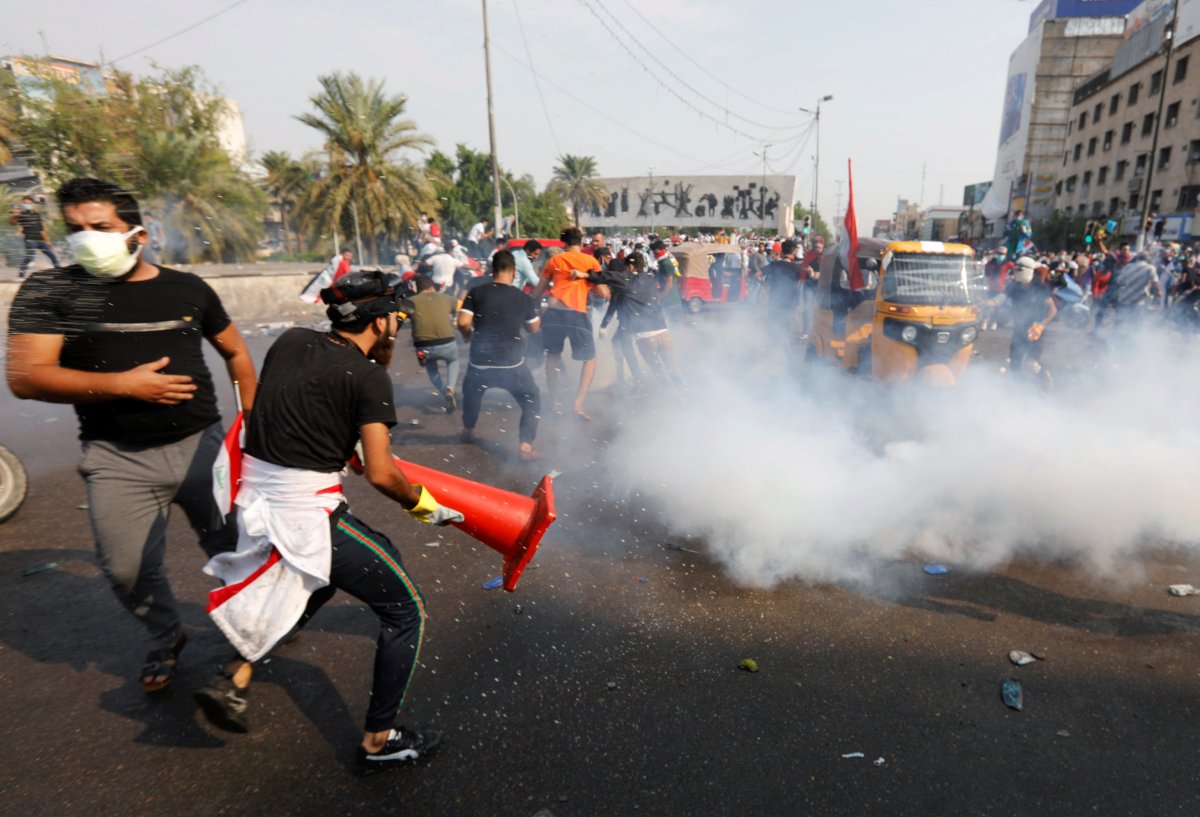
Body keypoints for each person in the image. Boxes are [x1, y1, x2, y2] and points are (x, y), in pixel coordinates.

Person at [195, 270, 459, 772]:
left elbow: (295, 405)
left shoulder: (291, 341)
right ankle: (380, 741)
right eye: (396, 320)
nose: (398, 329)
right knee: (408, 611)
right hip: (306, 514)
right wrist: (424, 505)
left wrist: (342, 442)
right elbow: (382, 473)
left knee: (318, 582)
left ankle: (236, 675)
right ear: (379, 322)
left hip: (257, 499)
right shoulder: (368, 377)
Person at [5, 177, 255, 692]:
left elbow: (235, 352)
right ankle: (167, 633)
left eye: (100, 227)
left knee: (233, 547)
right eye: (74, 229)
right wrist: (124, 385)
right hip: (116, 456)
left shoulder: (187, 288)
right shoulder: (49, 291)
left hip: (201, 446)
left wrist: (251, 420)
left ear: (139, 234)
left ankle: (252, 627)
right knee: (125, 568)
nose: (85, 239)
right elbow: (26, 377)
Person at [456, 250, 544, 461]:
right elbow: (533, 329)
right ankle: (525, 445)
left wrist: (467, 335)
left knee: (472, 393)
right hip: (511, 365)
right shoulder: (523, 298)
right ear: (513, 272)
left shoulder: (476, 292)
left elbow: (462, 322)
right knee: (532, 398)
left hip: (480, 363)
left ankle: (468, 431)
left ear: (492, 270)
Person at [531, 226, 607, 421]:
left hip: (554, 313)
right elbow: (603, 293)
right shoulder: (590, 261)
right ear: (581, 242)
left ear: (563, 242)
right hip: (576, 314)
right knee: (589, 359)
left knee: (553, 357)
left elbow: (537, 293)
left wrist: (537, 312)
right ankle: (578, 404)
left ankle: (554, 401)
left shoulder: (554, 260)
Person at [590, 249, 682, 390]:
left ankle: (638, 381)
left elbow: (613, 301)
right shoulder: (648, 278)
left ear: (630, 267)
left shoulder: (622, 277)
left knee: (652, 367)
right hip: (659, 328)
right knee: (672, 367)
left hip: (636, 327)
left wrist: (604, 325)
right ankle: (682, 392)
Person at [400, 274, 460, 413]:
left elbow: (399, 318)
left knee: (429, 366)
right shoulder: (447, 298)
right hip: (447, 344)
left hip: (421, 347)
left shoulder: (409, 302)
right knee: (453, 360)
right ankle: (450, 387)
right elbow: (463, 307)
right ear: (432, 286)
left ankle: (443, 390)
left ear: (417, 289)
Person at [996, 256, 1056, 386]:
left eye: (1019, 270)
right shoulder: (1014, 287)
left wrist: (1041, 324)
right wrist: (985, 303)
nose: (1016, 273)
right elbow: (999, 299)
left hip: (1035, 331)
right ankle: (1019, 389)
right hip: (1018, 331)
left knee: (1031, 363)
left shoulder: (1040, 287)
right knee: (1014, 363)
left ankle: (1044, 380)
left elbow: (1052, 310)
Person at [9, 195, 60, 278]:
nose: (26, 204)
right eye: (24, 203)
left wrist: (47, 240)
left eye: (28, 203)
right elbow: (12, 223)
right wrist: (14, 216)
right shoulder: (21, 214)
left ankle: (60, 271)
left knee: (52, 255)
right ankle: (20, 276)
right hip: (30, 240)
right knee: (29, 258)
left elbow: (42, 229)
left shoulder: (37, 214)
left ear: (33, 203)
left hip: (40, 240)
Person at [762, 239, 804, 338]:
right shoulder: (797, 268)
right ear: (793, 252)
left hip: (774, 303)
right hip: (789, 306)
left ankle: (770, 351)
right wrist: (796, 307)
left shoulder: (774, 265)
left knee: (772, 332)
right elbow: (798, 288)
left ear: (782, 251)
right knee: (784, 333)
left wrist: (766, 287)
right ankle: (781, 352)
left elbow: (757, 275)